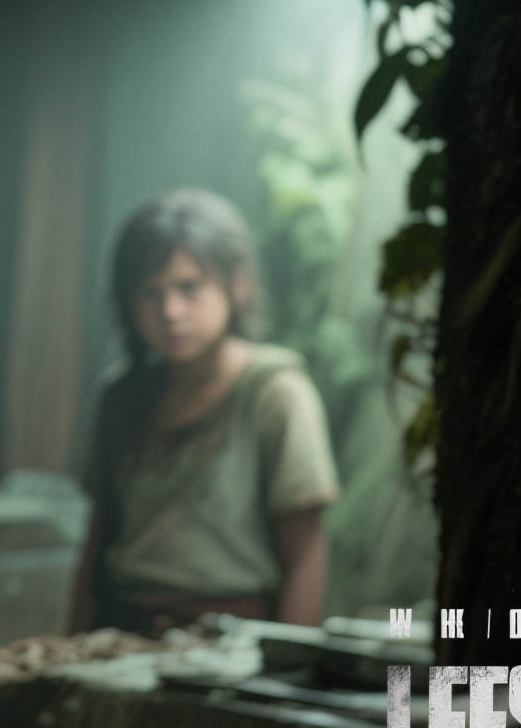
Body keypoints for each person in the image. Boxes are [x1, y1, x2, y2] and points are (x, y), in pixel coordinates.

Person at [69, 189, 340, 635]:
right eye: (150, 293)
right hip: (120, 631)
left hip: (231, 640)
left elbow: (305, 555)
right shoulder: (121, 399)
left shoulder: (275, 394)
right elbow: (96, 541)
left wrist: (289, 660)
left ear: (238, 284)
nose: (170, 311)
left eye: (189, 288)